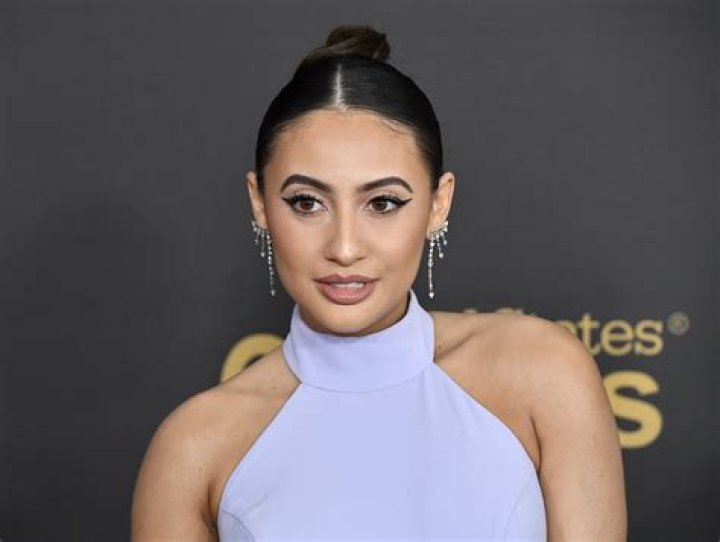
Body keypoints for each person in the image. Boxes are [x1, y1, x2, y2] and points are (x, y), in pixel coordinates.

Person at [131, 25, 626, 541]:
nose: (345, 247)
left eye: (383, 203)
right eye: (307, 203)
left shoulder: (544, 374)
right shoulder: (194, 448)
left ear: (438, 203)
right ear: (259, 203)